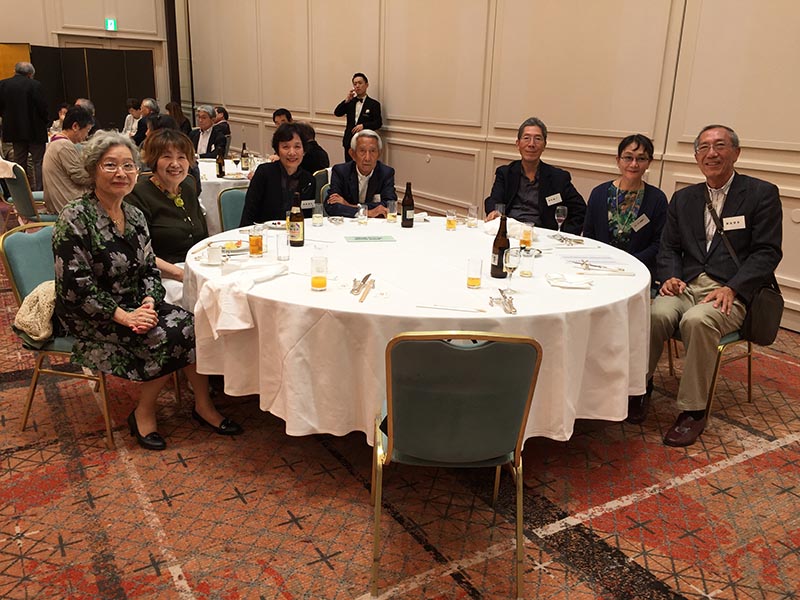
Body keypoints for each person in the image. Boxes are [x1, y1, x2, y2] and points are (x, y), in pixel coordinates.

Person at [53, 131, 241, 451]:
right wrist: (125, 316)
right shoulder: (74, 218)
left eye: (128, 165)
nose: (121, 173)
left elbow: (149, 268)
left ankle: (203, 405)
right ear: (93, 170)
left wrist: (150, 301)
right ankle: (143, 412)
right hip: (92, 312)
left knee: (196, 323)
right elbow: (75, 287)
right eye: (110, 165)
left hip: (137, 301)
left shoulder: (134, 215)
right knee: (165, 335)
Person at [628, 125, 783, 446]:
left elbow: (767, 252)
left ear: (736, 153)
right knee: (655, 314)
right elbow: (669, 246)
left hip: (731, 291)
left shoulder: (761, 194)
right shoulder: (684, 198)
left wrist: (734, 288)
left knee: (697, 321)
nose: (711, 153)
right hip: (686, 285)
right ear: (697, 156)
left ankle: (693, 410)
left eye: (720, 146)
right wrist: (670, 275)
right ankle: (639, 389)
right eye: (704, 147)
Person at [125, 128, 207, 306]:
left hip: (195, 268)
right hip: (162, 276)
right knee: (207, 300)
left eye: (182, 157)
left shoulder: (188, 187)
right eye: (167, 157)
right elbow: (139, 253)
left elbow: (203, 238)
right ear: (154, 160)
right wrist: (182, 275)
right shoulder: (138, 194)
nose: (175, 164)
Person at [583, 134, 668, 287]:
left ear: (649, 162)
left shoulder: (657, 199)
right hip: (599, 269)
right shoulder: (599, 193)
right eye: (628, 158)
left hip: (637, 272)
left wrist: (630, 262)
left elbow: (659, 243)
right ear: (618, 160)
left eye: (641, 159)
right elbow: (589, 234)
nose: (634, 164)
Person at [484, 117, 585, 234]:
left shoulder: (558, 178)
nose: (531, 144)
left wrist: (562, 233)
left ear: (544, 145)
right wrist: (493, 212)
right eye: (526, 138)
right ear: (518, 144)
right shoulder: (505, 173)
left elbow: (580, 210)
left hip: (542, 236)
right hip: (509, 232)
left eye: (537, 139)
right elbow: (493, 200)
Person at [240, 122, 315, 226]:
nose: (292, 153)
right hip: (264, 232)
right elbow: (248, 215)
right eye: (285, 147)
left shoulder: (309, 180)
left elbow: (307, 218)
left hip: (296, 232)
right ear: (277, 151)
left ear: (304, 150)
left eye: (297, 147)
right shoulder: (265, 173)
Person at [0, 62, 49, 191]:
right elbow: (42, 108)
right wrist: (46, 121)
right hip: (35, 130)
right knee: (39, 162)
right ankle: (40, 192)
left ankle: (21, 192)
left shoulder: (3, 85)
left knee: (19, 162)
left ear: (15, 71)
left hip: (14, 131)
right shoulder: (35, 85)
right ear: (30, 74)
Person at [326, 130, 394, 218]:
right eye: (362, 151)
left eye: (373, 151)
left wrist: (348, 205)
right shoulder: (341, 171)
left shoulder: (386, 173)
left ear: (379, 154)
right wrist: (368, 212)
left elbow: (389, 204)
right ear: (352, 154)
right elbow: (332, 206)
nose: (367, 158)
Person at [42, 106, 94, 214]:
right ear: (75, 126)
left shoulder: (56, 141)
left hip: (59, 200)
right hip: (67, 204)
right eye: (87, 130)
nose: (87, 136)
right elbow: (80, 178)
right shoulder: (64, 146)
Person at [333, 72, 382, 162]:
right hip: (349, 141)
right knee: (348, 166)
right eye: (355, 84)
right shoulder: (350, 102)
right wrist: (346, 100)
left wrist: (364, 126)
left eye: (360, 83)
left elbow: (378, 123)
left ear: (366, 85)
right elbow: (337, 113)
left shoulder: (374, 104)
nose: (357, 86)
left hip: (365, 142)